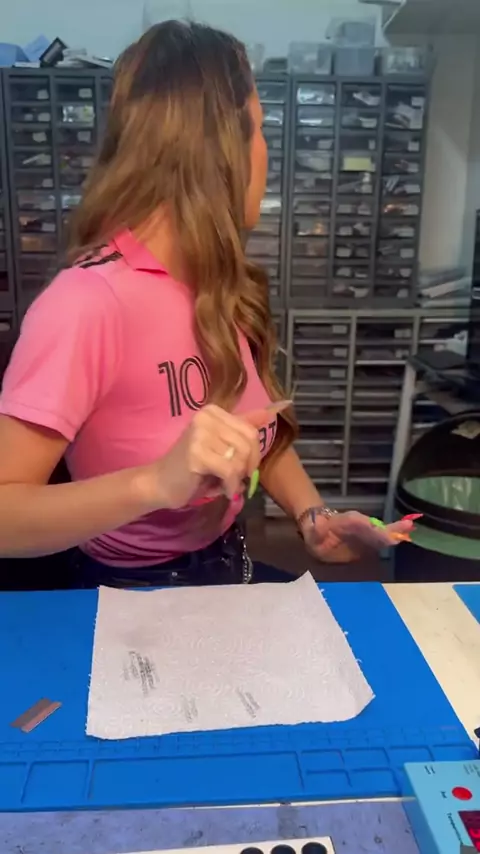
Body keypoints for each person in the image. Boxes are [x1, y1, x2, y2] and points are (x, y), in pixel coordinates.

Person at [0, 21, 411, 589]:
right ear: (218, 148)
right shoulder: (86, 303)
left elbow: (251, 430)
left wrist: (312, 516)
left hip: (226, 565)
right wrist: (154, 483)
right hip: (127, 596)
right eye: (259, 130)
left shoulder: (218, 286)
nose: (265, 153)